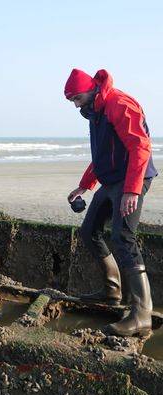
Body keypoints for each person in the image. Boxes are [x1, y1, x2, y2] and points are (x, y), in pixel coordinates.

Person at [65, 69, 157, 337]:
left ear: (92, 90)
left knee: (122, 236)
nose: (76, 105)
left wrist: (132, 190)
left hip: (132, 180)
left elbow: (141, 147)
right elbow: (103, 155)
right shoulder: (96, 112)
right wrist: (86, 184)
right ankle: (111, 291)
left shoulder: (119, 104)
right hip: (112, 181)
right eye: (72, 100)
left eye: (77, 98)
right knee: (89, 230)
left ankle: (142, 314)